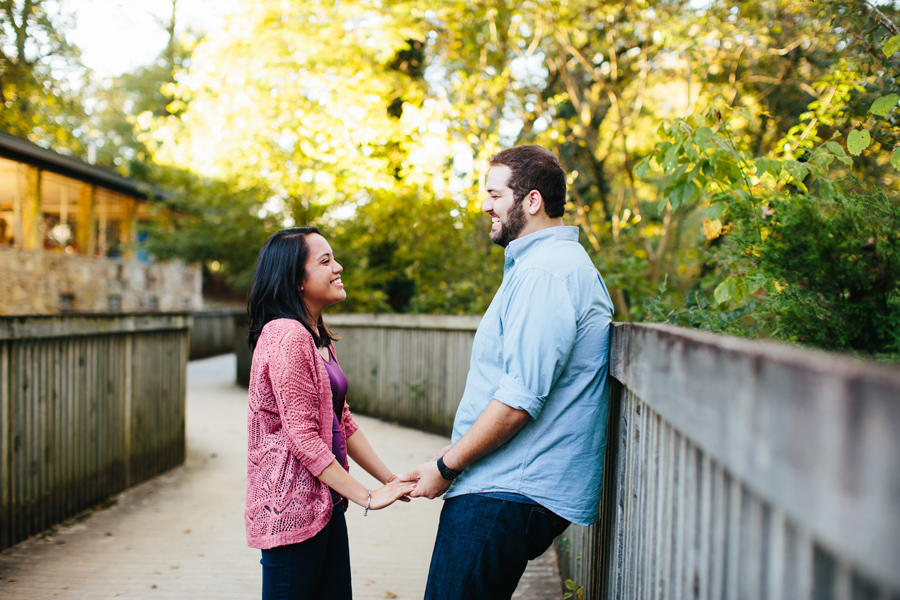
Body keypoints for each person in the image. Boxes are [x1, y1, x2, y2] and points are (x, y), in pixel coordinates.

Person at [400, 145, 614, 600]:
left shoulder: (546, 274)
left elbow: (518, 402)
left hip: (506, 490)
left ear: (531, 201)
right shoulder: (541, 267)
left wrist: (446, 466)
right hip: (500, 483)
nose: (484, 205)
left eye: (495, 194)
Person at [245, 227, 414, 600]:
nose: (338, 267)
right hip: (291, 513)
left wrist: (392, 480)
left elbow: (343, 422)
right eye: (325, 261)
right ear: (297, 280)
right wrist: (367, 496)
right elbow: (303, 439)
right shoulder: (288, 337)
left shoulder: (314, 335)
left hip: (325, 506)